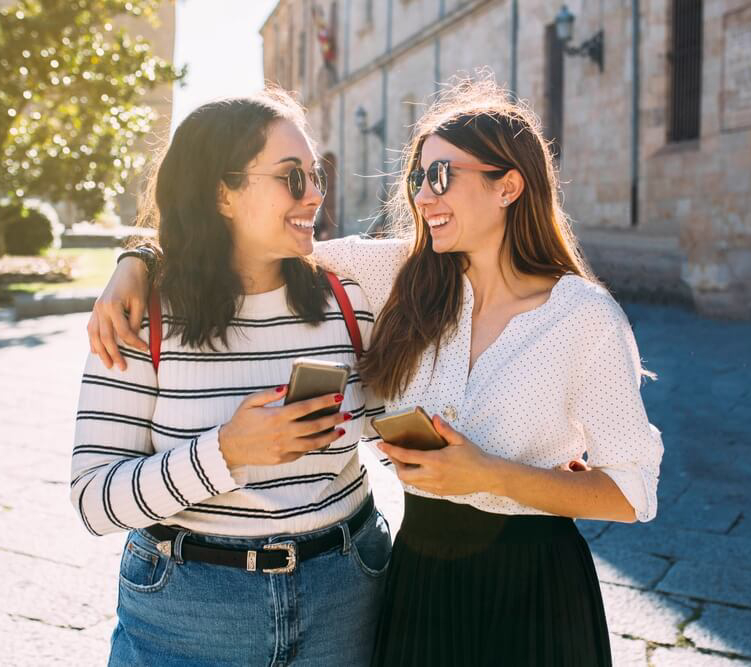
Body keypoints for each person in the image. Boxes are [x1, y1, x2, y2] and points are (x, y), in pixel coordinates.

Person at [90, 78, 663, 666]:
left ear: (508, 185)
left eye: (441, 176)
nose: (422, 197)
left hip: (531, 590)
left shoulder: (584, 316)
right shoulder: (401, 276)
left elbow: (633, 491)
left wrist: (490, 473)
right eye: (417, 178)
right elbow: (252, 241)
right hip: (415, 584)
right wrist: (140, 258)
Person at [71, 90, 390, 666]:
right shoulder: (140, 317)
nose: (315, 193)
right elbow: (94, 499)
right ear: (223, 192)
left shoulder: (351, 295)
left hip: (346, 593)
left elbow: (385, 427)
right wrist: (226, 452)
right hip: (188, 613)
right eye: (292, 178)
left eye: (317, 175)